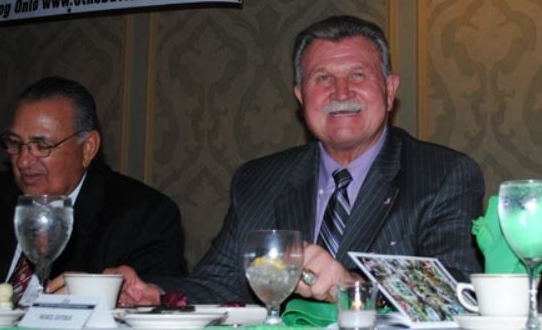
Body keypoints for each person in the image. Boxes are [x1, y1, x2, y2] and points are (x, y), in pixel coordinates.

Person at [116, 15, 484, 305]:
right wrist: (153, 293)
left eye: (358, 74)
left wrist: (350, 288)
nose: (341, 91)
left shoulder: (443, 175)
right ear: (300, 96)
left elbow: (455, 298)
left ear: (389, 90)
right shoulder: (258, 180)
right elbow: (218, 282)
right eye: (322, 77)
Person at [0, 76, 186, 295]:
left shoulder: (145, 217)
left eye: (42, 146)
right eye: (16, 143)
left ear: (88, 148)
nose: (23, 161)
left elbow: (147, 307)